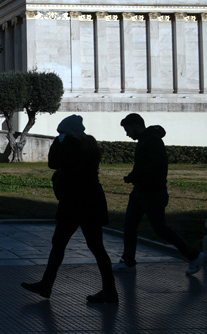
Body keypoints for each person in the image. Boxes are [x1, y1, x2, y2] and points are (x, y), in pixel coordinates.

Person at [21, 115, 118, 303]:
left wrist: (58, 143)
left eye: (62, 132)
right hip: (89, 201)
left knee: (62, 244)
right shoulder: (88, 145)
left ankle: (48, 284)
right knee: (93, 246)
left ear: (69, 131)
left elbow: (54, 163)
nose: (60, 135)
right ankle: (109, 289)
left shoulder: (72, 146)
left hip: (76, 202)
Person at [113, 113, 205, 275]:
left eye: (127, 130)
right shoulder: (146, 140)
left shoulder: (152, 141)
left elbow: (155, 167)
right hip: (142, 191)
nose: (127, 134)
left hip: (151, 193)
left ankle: (195, 255)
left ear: (135, 126)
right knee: (130, 226)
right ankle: (128, 262)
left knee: (159, 228)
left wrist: (134, 177)